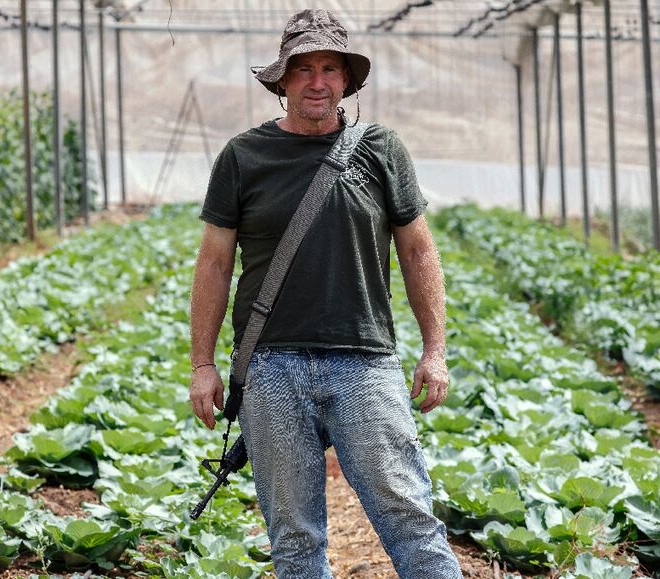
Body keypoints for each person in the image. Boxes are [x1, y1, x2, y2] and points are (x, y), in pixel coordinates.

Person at [189, 8, 463, 579]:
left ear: (346, 80)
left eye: (330, 69)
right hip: (270, 366)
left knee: (409, 517)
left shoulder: (381, 149)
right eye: (304, 68)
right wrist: (202, 363)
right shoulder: (243, 157)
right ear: (282, 79)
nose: (317, 81)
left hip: (364, 363)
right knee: (293, 537)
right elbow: (214, 264)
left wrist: (434, 350)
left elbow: (418, 251)